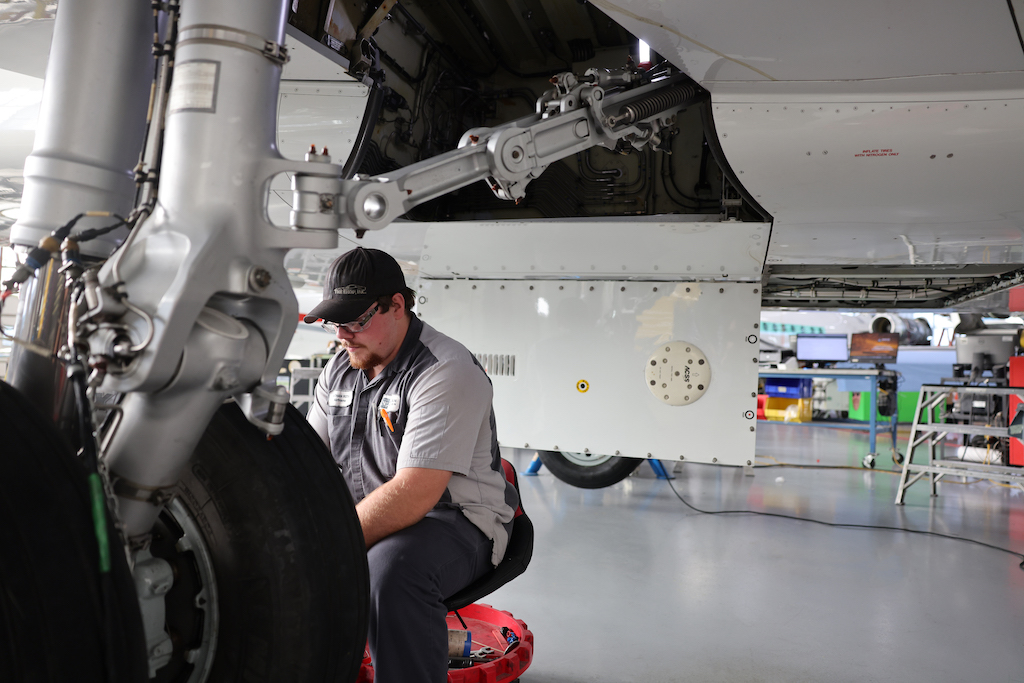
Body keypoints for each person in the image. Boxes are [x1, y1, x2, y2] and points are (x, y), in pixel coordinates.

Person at [305, 247, 518, 683]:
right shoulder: (339, 373)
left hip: (458, 521)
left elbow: (415, 494)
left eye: (356, 319)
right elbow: (310, 469)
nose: (343, 334)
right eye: (335, 321)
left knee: (388, 573)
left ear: (397, 305)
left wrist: (328, 547)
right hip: (373, 519)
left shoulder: (445, 370)